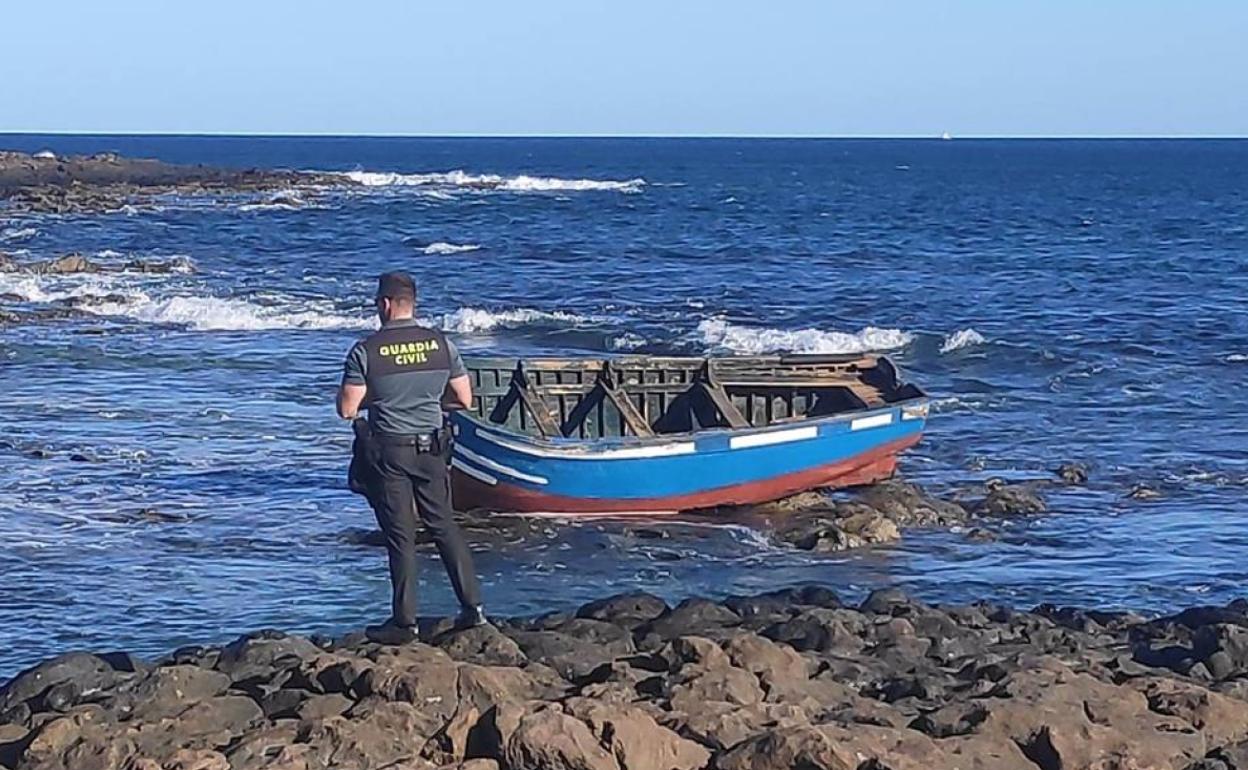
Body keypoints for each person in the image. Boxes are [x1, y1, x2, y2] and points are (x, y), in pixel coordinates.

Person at [337, 271, 485, 643]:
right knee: (444, 527)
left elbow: (347, 409)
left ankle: (404, 623)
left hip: (390, 450)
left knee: (400, 536)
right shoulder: (441, 344)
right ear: (412, 303)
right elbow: (464, 400)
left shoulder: (366, 350)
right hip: (433, 448)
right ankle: (473, 609)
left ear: (385, 304)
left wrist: (382, 399)